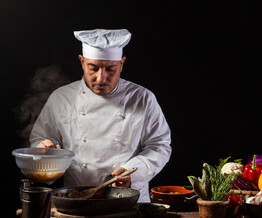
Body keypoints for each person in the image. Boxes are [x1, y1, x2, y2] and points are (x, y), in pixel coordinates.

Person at [30, 29, 172, 202]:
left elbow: (159, 146)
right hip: (76, 202)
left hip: (128, 203)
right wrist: (45, 151)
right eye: (93, 68)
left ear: (122, 63)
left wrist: (133, 173)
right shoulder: (62, 98)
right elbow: (41, 142)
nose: (101, 78)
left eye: (110, 69)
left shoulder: (142, 98)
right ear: (82, 62)